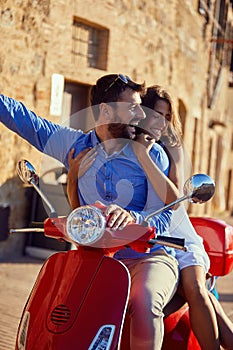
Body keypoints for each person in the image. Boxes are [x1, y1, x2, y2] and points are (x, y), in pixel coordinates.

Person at [0, 74, 180, 350]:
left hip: (146, 257)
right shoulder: (75, 146)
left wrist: (136, 219)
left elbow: (168, 211)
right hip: (92, 259)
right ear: (105, 111)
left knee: (144, 301)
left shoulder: (151, 152)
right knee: (54, 304)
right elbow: (25, 119)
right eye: (131, 107)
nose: (139, 113)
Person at [67, 84, 233, 350]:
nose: (161, 123)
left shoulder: (166, 149)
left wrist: (143, 155)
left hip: (175, 237)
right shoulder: (118, 148)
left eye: (166, 117)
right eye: (156, 114)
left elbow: (174, 205)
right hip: (143, 243)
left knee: (195, 290)